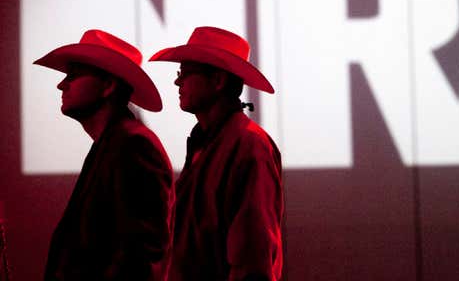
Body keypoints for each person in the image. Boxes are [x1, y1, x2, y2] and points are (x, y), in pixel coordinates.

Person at [34, 29, 174, 281]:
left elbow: (141, 258)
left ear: (108, 86)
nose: (61, 84)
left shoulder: (133, 146)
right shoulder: (115, 143)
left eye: (74, 75)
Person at [150, 26, 283, 281]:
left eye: (186, 73)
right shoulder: (208, 142)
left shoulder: (249, 145)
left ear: (219, 81)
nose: (177, 81)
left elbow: (253, 257)